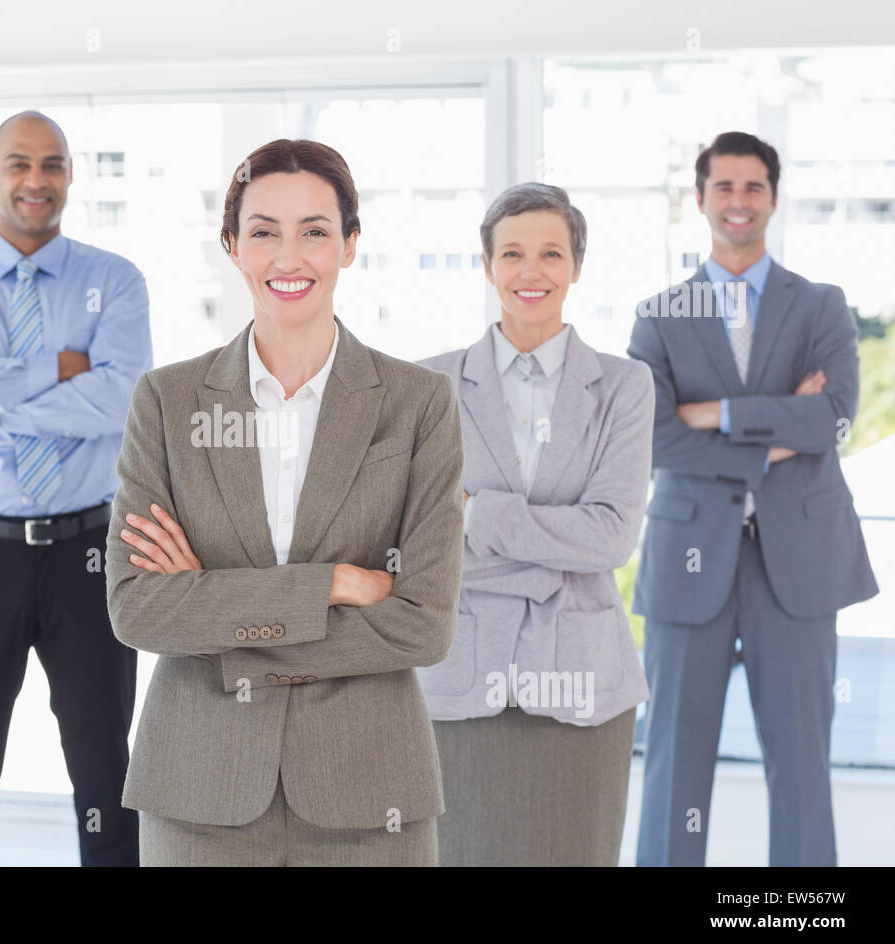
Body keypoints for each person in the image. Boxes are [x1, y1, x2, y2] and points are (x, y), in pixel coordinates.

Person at [105, 138, 464, 866]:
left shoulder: (418, 404)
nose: (288, 257)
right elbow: (137, 608)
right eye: (264, 231)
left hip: (370, 795)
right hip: (198, 791)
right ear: (233, 246)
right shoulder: (169, 403)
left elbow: (423, 624)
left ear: (351, 245)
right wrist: (331, 584)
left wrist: (212, 605)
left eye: (315, 231)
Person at [0, 111, 151, 867]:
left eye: (51, 165)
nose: (35, 181)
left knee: (107, 776)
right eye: (19, 164)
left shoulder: (114, 280)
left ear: (71, 174)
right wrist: (61, 365)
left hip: (89, 553)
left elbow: (122, 402)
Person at [629, 131, 878, 867]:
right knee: (675, 764)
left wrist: (713, 413)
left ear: (773, 197)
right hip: (687, 560)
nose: (739, 201)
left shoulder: (823, 306)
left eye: (753, 187)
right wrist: (774, 431)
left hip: (798, 562)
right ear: (700, 199)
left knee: (802, 764)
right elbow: (652, 440)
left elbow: (832, 419)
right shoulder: (659, 314)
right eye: (724, 187)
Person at [417, 183, 654, 866]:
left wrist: (476, 513)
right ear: (487, 265)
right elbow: (417, 540)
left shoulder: (623, 386)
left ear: (576, 266)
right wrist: (555, 547)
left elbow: (611, 536)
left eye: (551, 253)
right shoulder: (428, 387)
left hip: (583, 684)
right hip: (459, 675)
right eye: (512, 253)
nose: (531, 272)